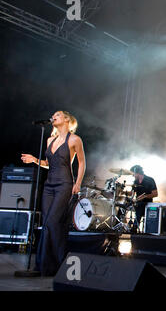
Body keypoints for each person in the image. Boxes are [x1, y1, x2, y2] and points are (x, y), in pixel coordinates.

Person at [21, 110, 86, 276]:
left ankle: (59, 264)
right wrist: (35, 160)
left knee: (52, 222)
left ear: (66, 119)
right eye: (53, 115)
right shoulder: (50, 139)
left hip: (64, 184)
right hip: (49, 185)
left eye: (57, 115)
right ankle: (50, 266)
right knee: (49, 225)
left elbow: (81, 163)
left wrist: (77, 183)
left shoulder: (74, 139)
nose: (53, 117)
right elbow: (48, 163)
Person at [130, 165, 158, 232]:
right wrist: (121, 191)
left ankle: (135, 226)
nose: (132, 175)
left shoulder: (150, 180)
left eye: (133, 174)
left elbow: (155, 194)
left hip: (147, 203)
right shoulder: (135, 182)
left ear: (137, 172)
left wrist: (144, 196)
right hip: (137, 203)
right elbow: (132, 194)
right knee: (122, 206)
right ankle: (119, 225)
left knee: (140, 205)